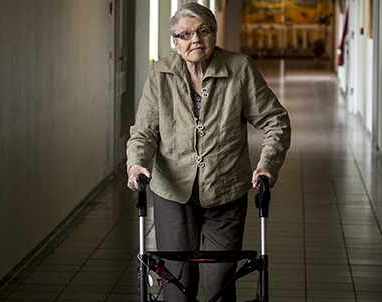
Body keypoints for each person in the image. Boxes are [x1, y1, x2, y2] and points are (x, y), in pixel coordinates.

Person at [125, 3, 291, 301]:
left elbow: (275, 120)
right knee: (176, 283)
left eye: (203, 31)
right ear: (174, 41)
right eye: (185, 34)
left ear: (214, 34)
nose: (195, 39)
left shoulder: (239, 68)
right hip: (173, 194)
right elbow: (145, 131)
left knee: (220, 284)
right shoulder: (159, 74)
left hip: (226, 190)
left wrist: (268, 164)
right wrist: (136, 163)